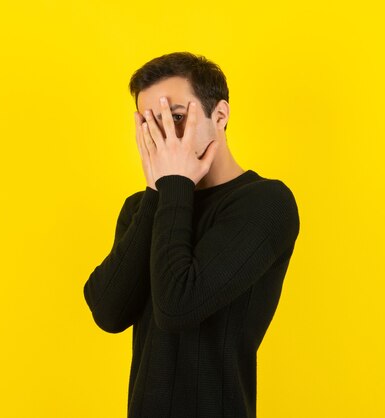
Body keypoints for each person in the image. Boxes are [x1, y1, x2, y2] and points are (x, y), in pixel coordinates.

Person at [83, 51, 300, 418]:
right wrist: (158, 192)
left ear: (220, 115)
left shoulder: (266, 203)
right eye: (151, 124)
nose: (165, 136)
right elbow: (108, 312)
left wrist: (174, 182)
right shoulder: (142, 206)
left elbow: (177, 305)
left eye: (177, 118)